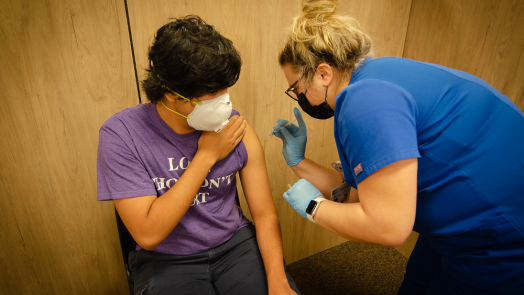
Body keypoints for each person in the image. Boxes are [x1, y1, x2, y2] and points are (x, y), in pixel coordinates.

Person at [273, 0, 524, 294]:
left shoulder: (363, 102)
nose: (299, 96)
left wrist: (314, 207)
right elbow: (358, 198)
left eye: (296, 88)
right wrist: (298, 162)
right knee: (418, 280)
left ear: (323, 73)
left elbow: (386, 226)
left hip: (498, 230)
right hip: (462, 213)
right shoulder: (379, 74)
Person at [97, 16, 299, 295]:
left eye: (226, 88)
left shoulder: (235, 128)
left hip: (235, 246)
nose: (225, 100)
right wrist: (206, 156)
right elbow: (148, 234)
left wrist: (278, 282)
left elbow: (264, 215)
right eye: (213, 92)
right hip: (165, 259)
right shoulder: (121, 135)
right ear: (171, 94)